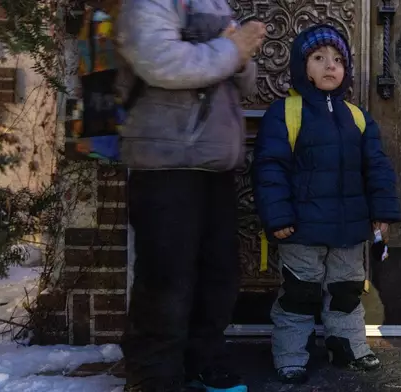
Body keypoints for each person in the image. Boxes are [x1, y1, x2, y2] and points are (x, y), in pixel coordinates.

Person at [114, 0, 266, 391]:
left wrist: (242, 56)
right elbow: (158, 60)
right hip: (166, 163)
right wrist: (233, 49)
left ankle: (202, 359)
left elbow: (245, 83)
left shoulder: (216, 3)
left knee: (219, 275)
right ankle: (153, 374)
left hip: (215, 163)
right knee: (167, 277)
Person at [252, 24, 401, 384]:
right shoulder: (286, 112)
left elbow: (376, 167)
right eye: (319, 58)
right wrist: (278, 216)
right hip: (301, 228)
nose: (329, 66)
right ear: (303, 67)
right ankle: (291, 355)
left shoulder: (358, 116)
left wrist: (382, 212)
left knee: (346, 291)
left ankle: (346, 346)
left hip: (349, 229)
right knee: (300, 292)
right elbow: (270, 168)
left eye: (337, 60)